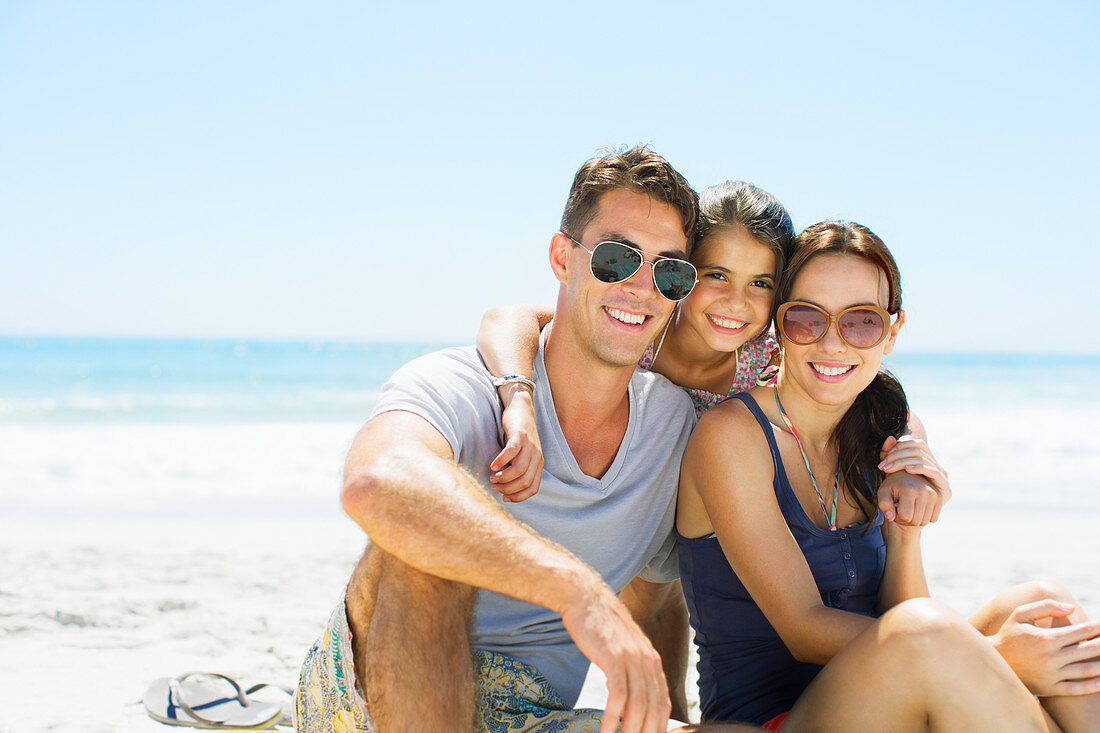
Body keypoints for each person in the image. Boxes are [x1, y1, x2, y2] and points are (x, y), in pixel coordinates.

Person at [295, 146, 760, 733]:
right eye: (616, 260)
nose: (641, 288)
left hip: (531, 718)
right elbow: (376, 481)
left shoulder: (672, 428)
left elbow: (664, 588)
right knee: (420, 540)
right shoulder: (467, 383)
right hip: (367, 702)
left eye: (668, 271)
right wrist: (578, 593)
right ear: (562, 258)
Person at [676, 220, 1100, 731]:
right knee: (933, 632)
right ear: (779, 328)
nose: (833, 344)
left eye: (861, 322)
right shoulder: (731, 437)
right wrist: (996, 655)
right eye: (808, 319)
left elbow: (903, 613)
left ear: (893, 332)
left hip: (892, 686)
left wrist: (904, 534)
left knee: (1046, 605)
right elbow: (804, 630)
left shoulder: (889, 431)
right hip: (778, 717)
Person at [477, 181, 947, 520]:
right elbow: (508, 319)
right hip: (634, 499)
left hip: (703, 511)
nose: (735, 302)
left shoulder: (766, 355)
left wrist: (910, 455)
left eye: (760, 284)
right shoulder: (641, 330)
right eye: (716, 275)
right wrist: (518, 400)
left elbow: (874, 394)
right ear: (681, 270)